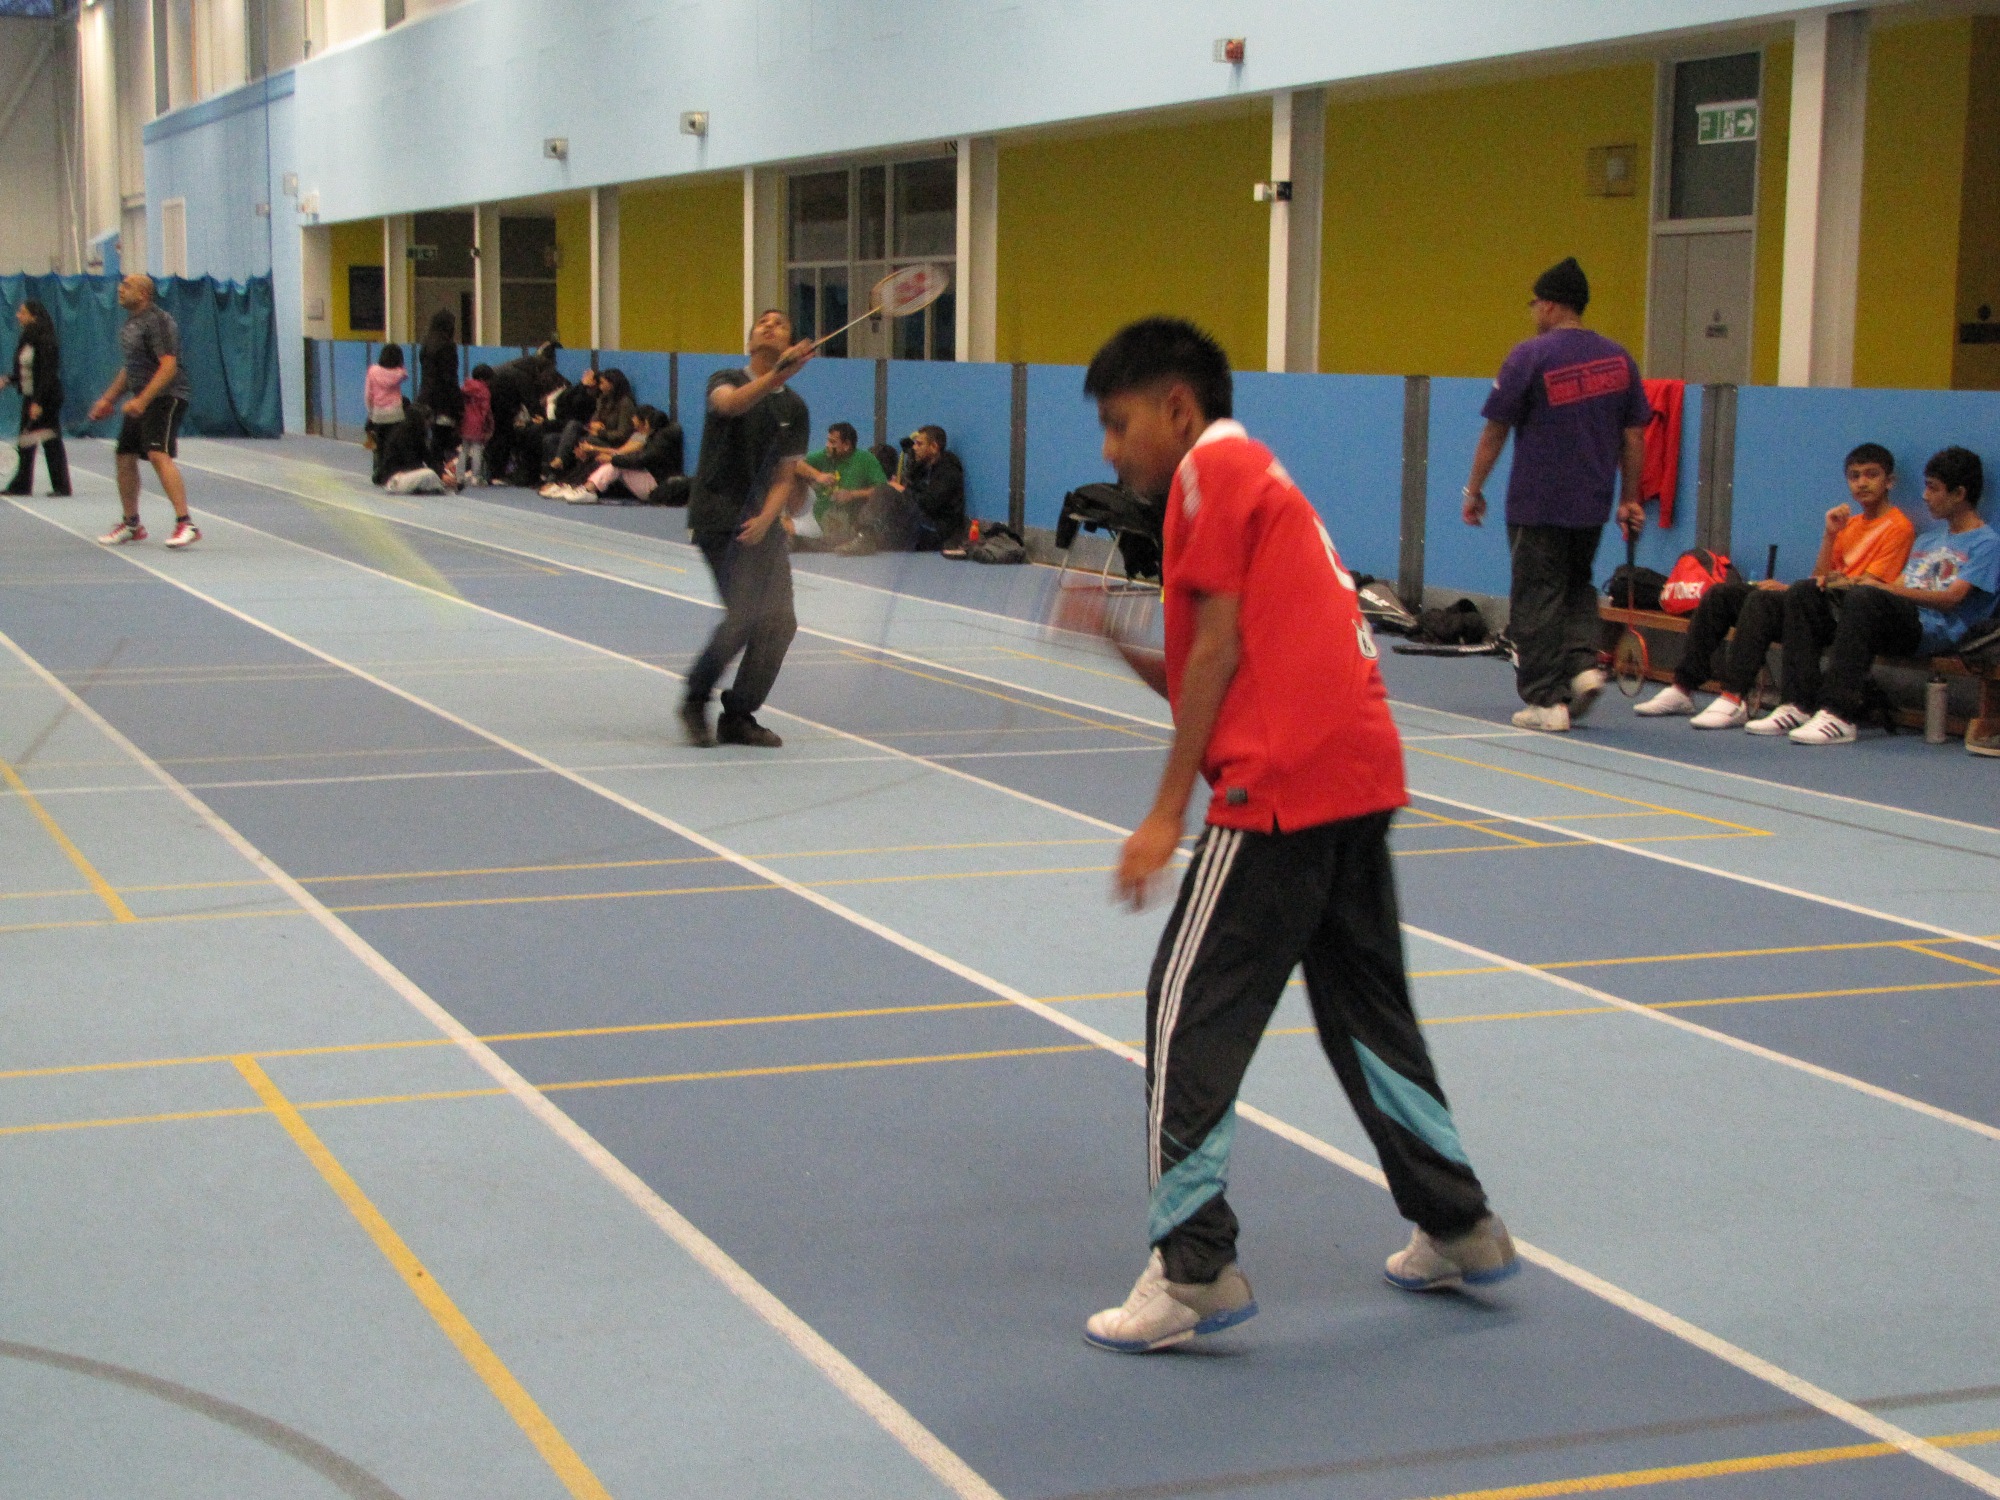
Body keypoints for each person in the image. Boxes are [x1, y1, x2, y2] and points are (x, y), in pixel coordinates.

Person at [1060, 317, 1513, 1355]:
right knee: (1365, 1014)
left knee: (1184, 1014)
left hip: (1277, 789)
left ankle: (1192, 1269)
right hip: (1353, 772)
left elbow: (1218, 651)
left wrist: (1167, 809)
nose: (1108, 448)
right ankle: (1456, 1224)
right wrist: (1112, 637)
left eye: (1117, 423)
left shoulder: (1209, 471)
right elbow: (1205, 671)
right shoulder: (1252, 481)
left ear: (1176, 409)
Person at [1463, 257, 1649, 731]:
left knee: (1535, 597)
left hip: (1537, 502)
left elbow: (1496, 430)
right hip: (1593, 501)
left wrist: (1474, 488)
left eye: (1533, 304)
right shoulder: (1620, 359)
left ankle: (1546, 701)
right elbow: (1633, 437)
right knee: (1577, 584)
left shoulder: (1529, 355)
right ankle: (1584, 666)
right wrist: (1629, 498)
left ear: (1547, 304)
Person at [1635, 443, 1915, 730]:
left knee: (1764, 601)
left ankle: (1737, 696)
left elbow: (1866, 586)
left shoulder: (1898, 527)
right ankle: (1683, 687)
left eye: (1871, 475)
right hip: (1818, 601)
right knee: (1721, 595)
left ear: (1889, 481)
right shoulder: (1849, 524)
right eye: (1855, 476)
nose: (1862, 483)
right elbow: (1819, 577)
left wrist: (1797, 589)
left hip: (1845, 616)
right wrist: (1830, 535)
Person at [1787, 446, 1999, 745]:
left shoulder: (1987, 544)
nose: (1925, 496)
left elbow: (1953, 599)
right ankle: (1798, 704)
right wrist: (1854, 584)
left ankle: (1838, 713)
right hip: (1903, 619)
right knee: (1807, 592)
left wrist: (1878, 589)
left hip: (1935, 631)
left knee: (1865, 598)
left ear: (1959, 493)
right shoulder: (1927, 539)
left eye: (1933, 488)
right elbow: (1902, 582)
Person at [681, 308, 816, 749]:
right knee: (742, 615)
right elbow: (730, 405)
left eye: (781, 323)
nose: (771, 326)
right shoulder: (727, 380)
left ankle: (739, 715)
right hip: (718, 518)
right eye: (764, 322)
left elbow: (785, 475)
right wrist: (776, 376)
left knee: (780, 621)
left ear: (792, 340)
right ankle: (694, 699)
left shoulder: (794, 408)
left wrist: (768, 517)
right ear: (751, 339)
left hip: (763, 524)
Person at [89, 274, 199, 548]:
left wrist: (143, 400)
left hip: (167, 396)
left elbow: (168, 366)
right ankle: (131, 524)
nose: (120, 289)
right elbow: (131, 368)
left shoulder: (158, 321)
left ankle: (186, 523)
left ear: (143, 294)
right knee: (124, 455)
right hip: (142, 397)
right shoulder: (130, 325)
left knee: (157, 453)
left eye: (127, 286)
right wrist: (108, 399)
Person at [840, 424, 966, 553]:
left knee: (884, 491)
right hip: (920, 523)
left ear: (934, 447)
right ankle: (860, 536)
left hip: (936, 530)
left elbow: (929, 503)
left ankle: (864, 536)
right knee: (886, 493)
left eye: (919, 444)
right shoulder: (924, 467)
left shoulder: (948, 470)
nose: (915, 448)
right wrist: (902, 486)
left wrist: (901, 490)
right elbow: (915, 492)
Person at [3, 299, 69, 496]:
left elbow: (47, 373)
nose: (18, 315)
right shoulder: (27, 338)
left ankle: (61, 487)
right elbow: (26, 370)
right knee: (27, 440)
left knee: (50, 442)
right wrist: (8, 379)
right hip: (31, 396)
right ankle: (22, 485)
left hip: (46, 397)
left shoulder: (46, 340)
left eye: (22, 312)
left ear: (34, 316)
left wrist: (39, 402)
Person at [551, 405, 682, 503]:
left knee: (615, 465)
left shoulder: (658, 442)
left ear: (647, 423)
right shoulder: (655, 439)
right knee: (611, 463)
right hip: (651, 478)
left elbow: (639, 460)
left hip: (656, 486)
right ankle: (581, 486)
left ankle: (586, 489)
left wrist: (612, 459)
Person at [797, 421, 886, 549]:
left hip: (851, 522)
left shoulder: (865, 459)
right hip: (820, 522)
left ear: (846, 445)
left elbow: (883, 490)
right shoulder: (823, 456)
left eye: (833, 442)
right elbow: (795, 464)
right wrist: (817, 475)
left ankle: (861, 539)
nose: (827, 445)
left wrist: (853, 494)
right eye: (828, 441)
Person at [416, 309, 464, 472]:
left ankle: (433, 467)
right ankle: (441, 470)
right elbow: (449, 376)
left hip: (426, 396)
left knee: (433, 435)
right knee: (444, 437)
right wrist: (458, 404)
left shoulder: (426, 344)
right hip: (443, 398)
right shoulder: (447, 346)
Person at [364, 344, 409, 485]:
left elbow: (368, 394)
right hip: (396, 413)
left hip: (378, 414)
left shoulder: (372, 371)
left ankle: (379, 473)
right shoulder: (399, 374)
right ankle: (392, 473)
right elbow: (404, 373)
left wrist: (371, 412)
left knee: (380, 445)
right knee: (394, 445)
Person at [455, 364, 493, 487]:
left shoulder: (465, 387)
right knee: (477, 450)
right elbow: (485, 410)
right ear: (483, 379)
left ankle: (459, 476)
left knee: (464, 450)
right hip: (478, 422)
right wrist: (487, 425)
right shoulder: (484, 391)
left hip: (465, 421)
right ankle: (475, 477)